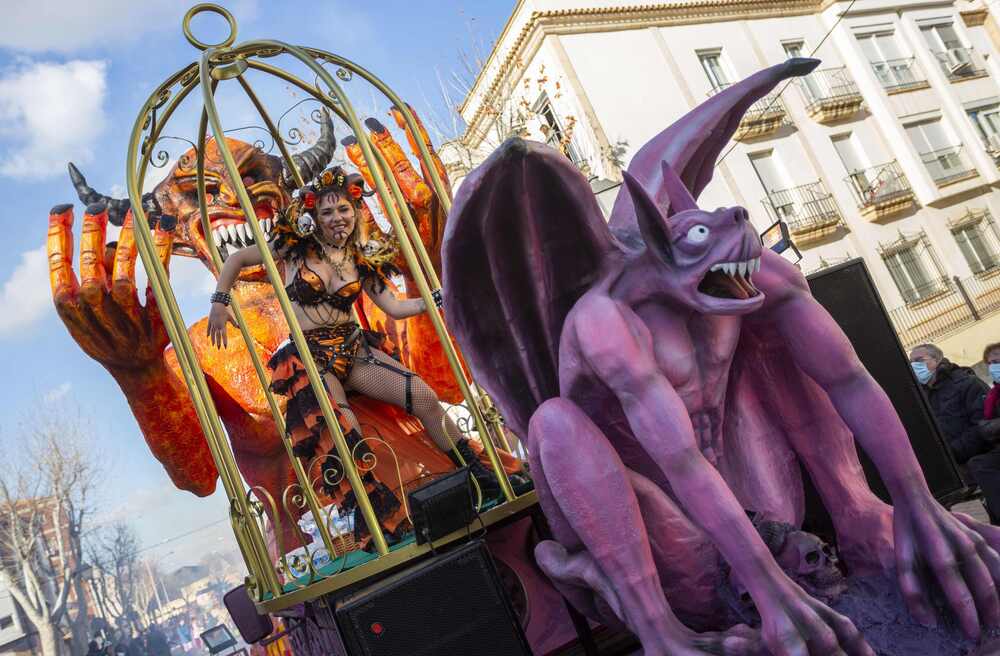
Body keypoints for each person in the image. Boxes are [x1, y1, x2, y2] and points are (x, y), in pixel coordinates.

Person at [208, 166, 505, 544]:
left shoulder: (360, 259)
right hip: (312, 358)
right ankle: (383, 522)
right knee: (347, 437)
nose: (337, 218)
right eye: (328, 212)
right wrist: (219, 302)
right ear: (314, 216)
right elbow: (235, 261)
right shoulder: (292, 248)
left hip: (354, 349)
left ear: (355, 211)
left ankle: (481, 476)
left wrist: (437, 299)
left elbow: (395, 308)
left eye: (344, 210)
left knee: (425, 397)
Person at [910, 343, 994, 511]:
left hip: (973, 462)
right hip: (949, 468)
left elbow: (983, 426)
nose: (914, 366)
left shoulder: (967, 384)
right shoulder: (921, 393)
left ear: (937, 360)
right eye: (911, 362)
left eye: (919, 360)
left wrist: (950, 453)